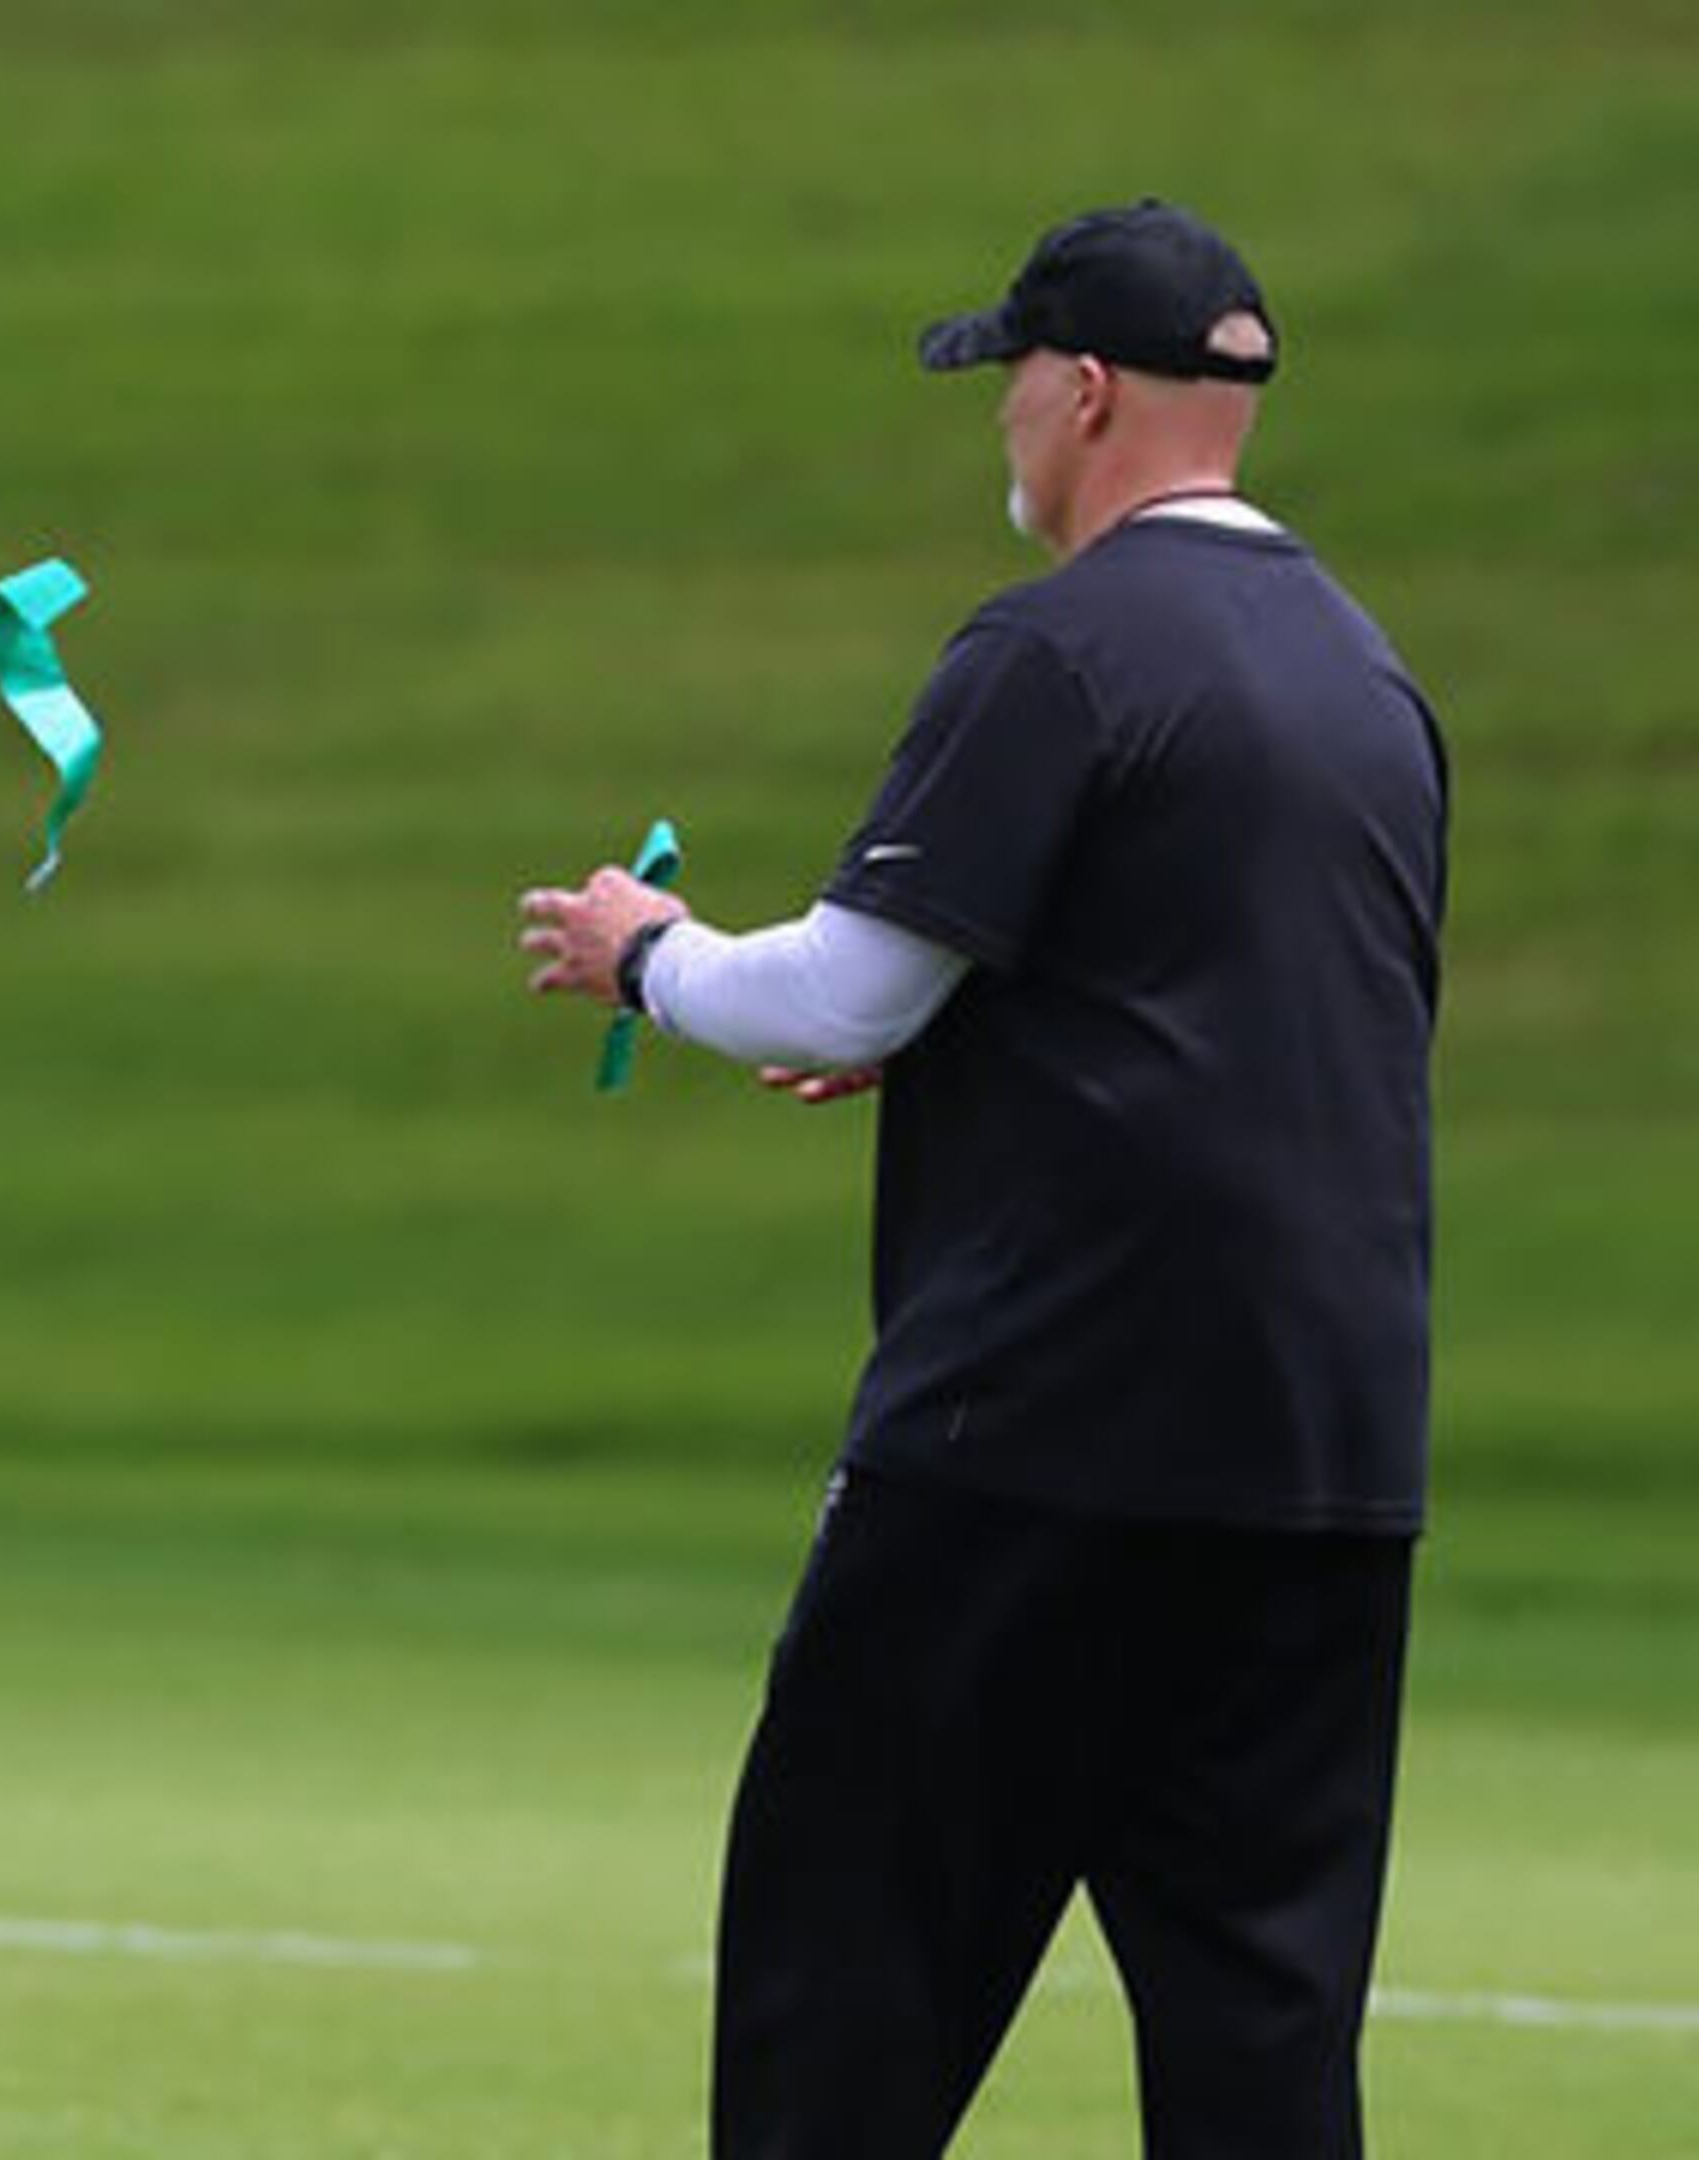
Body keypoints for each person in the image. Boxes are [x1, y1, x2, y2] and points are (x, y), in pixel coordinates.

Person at [517, 199, 1447, 2157]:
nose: (1004, 424)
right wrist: (983, 1052)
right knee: (1259, 2047)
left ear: (1084, 388)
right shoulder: (1370, 681)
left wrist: (652, 954)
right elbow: (1236, 1021)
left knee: (842, 1985)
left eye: (1011, 381)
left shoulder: (1058, 647)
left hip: (1037, 1442)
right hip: (1319, 1462)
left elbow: (848, 991)